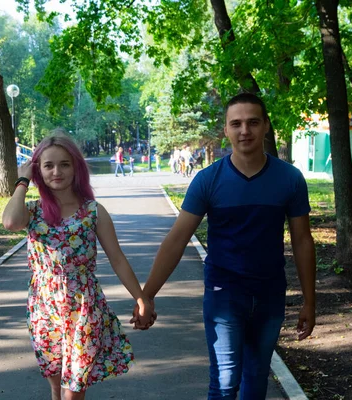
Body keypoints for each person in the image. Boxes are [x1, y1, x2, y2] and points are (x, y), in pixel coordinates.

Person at [133, 93, 316, 399]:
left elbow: (302, 241)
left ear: (266, 126)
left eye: (253, 122)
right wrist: (147, 294)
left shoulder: (290, 179)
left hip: (270, 295)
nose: (245, 130)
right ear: (226, 130)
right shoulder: (208, 180)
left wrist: (310, 301)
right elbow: (177, 239)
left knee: (256, 379)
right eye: (237, 123)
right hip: (224, 295)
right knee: (225, 381)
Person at [2, 132, 153, 400]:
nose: (56, 171)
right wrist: (23, 180)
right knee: (56, 388)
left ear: (76, 168)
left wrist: (140, 298)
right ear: (39, 170)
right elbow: (11, 222)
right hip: (44, 305)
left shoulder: (93, 211)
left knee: (73, 390)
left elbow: (117, 258)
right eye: (48, 165)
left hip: (83, 304)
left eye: (65, 164)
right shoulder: (33, 211)